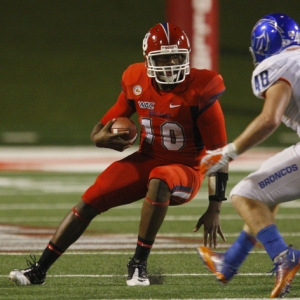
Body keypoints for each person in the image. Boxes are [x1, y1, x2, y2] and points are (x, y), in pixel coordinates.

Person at [9, 22, 229, 287]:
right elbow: (103, 126)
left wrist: (215, 207)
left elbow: (219, 154)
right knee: (90, 199)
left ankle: (139, 265)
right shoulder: (136, 81)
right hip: (147, 160)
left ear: (187, 56)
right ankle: (39, 270)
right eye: (163, 58)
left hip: (187, 170)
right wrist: (101, 139)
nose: (171, 64)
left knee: (160, 178)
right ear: (148, 60)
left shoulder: (202, 89)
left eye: (176, 57)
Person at [197, 13, 300, 298]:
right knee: (265, 192)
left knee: (244, 193)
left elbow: (270, 119)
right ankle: (231, 261)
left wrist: (229, 152)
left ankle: (283, 256)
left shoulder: (278, 64)